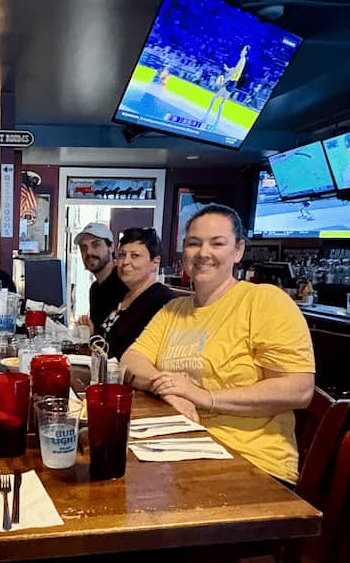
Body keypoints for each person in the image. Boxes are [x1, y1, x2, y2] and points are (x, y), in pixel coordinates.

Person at [122, 204, 315, 486]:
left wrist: (204, 397)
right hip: (178, 451)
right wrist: (169, 389)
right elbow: (130, 359)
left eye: (217, 243)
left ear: (238, 251)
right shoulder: (174, 309)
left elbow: (299, 389)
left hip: (251, 464)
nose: (203, 253)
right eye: (194, 243)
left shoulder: (265, 301)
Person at [96, 228, 175, 360]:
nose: (125, 262)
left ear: (155, 262)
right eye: (122, 255)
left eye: (134, 256)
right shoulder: (122, 295)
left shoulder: (163, 301)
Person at [74, 221, 126, 333]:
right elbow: (99, 333)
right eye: (83, 247)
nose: (89, 252)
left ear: (111, 247)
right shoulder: (95, 289)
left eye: (96, 244)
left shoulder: (124, 284)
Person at [202, 44, 250, 127]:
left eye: (243, 50)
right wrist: (227, 69)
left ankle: (206, 116)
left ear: (245, 52)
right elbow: (234, 70)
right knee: (221, 103)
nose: (241, 51)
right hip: (233, 83)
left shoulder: (242, 60)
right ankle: (216, 122)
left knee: (215, 98)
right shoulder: (242, 60)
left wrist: (224, 81)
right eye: (242, 49)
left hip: (231, 82)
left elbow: (234, 73)